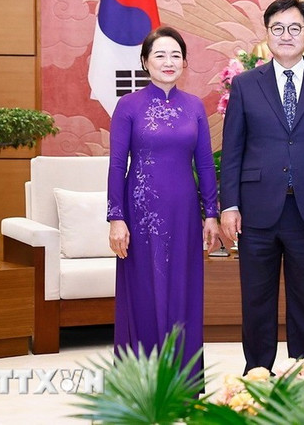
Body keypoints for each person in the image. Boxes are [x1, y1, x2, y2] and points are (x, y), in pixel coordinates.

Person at [220, 0, 304, 374]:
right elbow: (233, 150)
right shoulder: (246, 84)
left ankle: (303, 370)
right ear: (267, 34)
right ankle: (258, 371)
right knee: (256, 299)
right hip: (257, 209)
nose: (286, 35)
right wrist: (230, 205)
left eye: (295, 28)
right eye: (278, 29)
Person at [107, 26, 221, 380]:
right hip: (140, 213)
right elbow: (116, 164)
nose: (168, 62)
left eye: (175, 55)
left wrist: (211, 214)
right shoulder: (128, 106)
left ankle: (183, 383)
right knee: (143, 292)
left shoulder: (194, 106)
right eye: (159, 55)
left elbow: (204, 163)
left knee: (183, 293)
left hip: (184, 213)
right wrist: (116, 217)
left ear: (185, 62)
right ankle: (141, 383)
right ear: (145, 62)